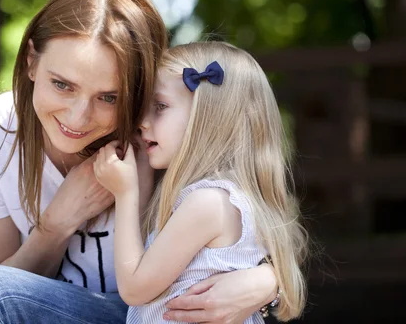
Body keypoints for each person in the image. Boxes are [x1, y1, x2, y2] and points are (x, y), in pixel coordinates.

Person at [0, 0, 278, 324]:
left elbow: (256, 225)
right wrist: (55, 225)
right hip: (36, 308)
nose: (78, 116)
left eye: (108, 96)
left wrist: (267, 283)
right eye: (62, 84)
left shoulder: (156, 135)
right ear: (32, 61)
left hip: (139, 314)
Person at [93, 42, 308, 323]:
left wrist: (125, 193)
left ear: (207, 117)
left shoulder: (208, 202)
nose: (142, 121)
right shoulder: (224, 198)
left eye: (160, 106)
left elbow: (134, 289)